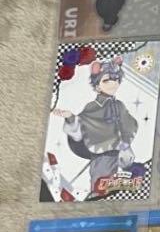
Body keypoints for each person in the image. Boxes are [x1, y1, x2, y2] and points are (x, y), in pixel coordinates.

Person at [51, 56, 138, 199]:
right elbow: (82, 123)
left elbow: (128, 124)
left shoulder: (119, 105)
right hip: (101, 152)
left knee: (118, 182)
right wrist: (70, 117)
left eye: (116, 79)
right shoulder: (92, 107)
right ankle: (96, 198)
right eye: (107, 80)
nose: (113, 83)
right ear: (97, 86)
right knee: (101, 183)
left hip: (119, 151)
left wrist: (125, 144)